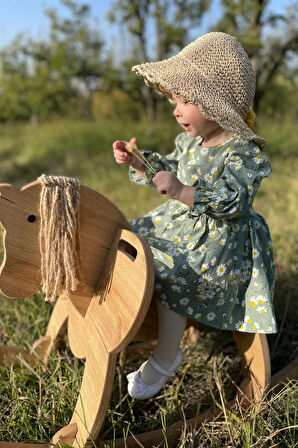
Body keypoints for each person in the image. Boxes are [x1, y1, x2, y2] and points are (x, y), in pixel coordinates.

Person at [112, 32, 277, 400]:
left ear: (217, 103)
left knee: (174, 268)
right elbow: (169, 169)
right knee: (134, 243)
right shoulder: (190, 142)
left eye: (186, 100)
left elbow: (234, 201)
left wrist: (185, 192)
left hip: (222, 243)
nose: (176, 109)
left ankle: (167, 355)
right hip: (185, 227)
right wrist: (140, 162)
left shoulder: (240, 151)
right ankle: (130, 319)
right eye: (174, 99)